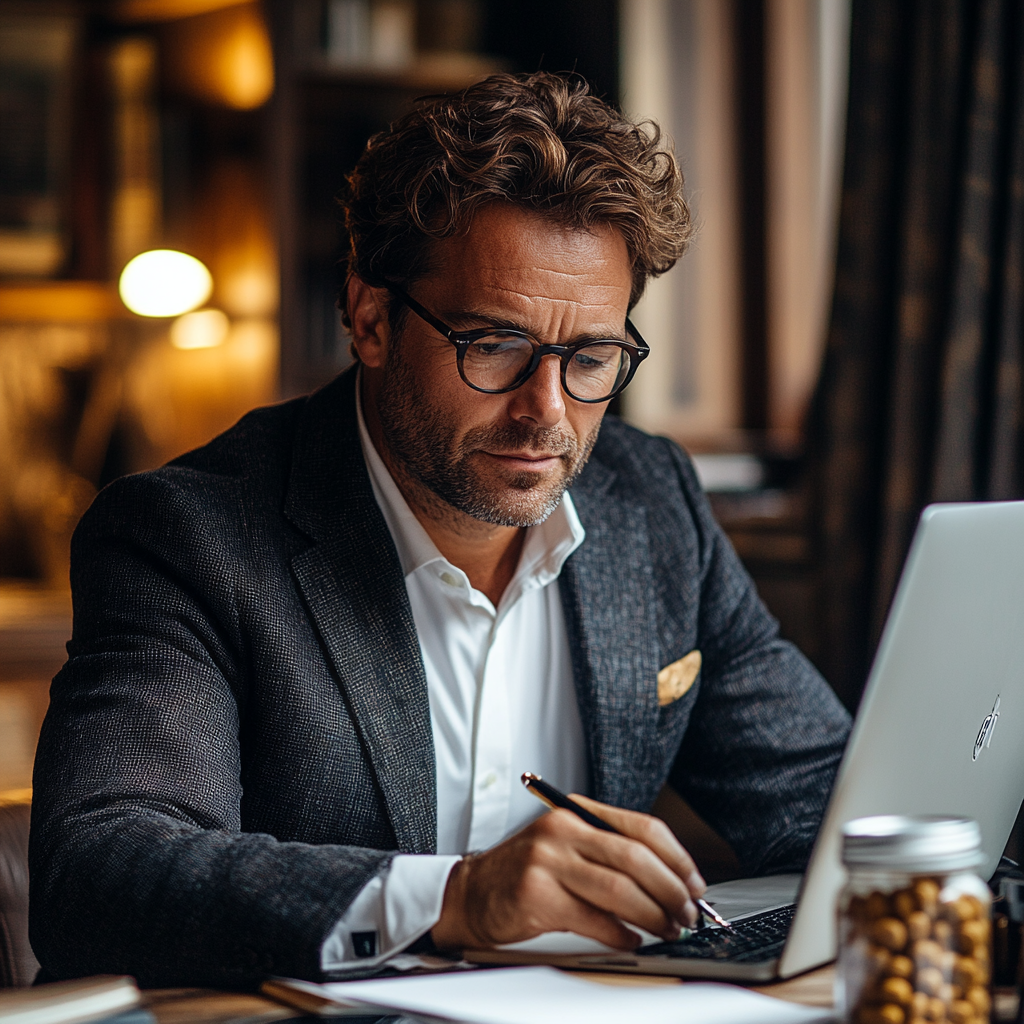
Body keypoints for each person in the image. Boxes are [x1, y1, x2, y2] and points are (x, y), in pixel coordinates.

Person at [29, 71, 851, 987]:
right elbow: (99, 878)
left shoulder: (651, 502)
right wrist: (455, 900)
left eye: (591, 357)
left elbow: (824, 793)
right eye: (493, 345)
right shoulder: (188, 538)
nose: (547, 412)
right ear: (372, 317)